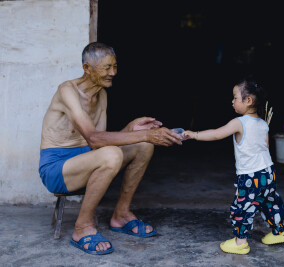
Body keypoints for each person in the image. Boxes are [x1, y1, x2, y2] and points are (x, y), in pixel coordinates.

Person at [39, 42, 183, 255]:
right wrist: (143, 133)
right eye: (106, 68)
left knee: (143, 145)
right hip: (57, 167)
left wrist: (132, 129)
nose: (113, 73)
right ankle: (82, 228)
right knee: (119, 150)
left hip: (86, 158)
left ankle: (121, 215)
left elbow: (101, 143)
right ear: (87, 68)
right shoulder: (67, 90)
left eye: (115, 67)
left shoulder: (101, 95)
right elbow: (95, 140)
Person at [182, 77, 284, 255]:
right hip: (268, 172)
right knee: (270, 203)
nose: (232, 101)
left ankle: (240, 242)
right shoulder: (263, 124)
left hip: (250, 176)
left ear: (248, 101)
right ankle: (280, 231)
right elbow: (266, 147)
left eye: (235, 97)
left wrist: (194, 134)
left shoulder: (239, 122)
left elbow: (217, 134)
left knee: (242, 207)